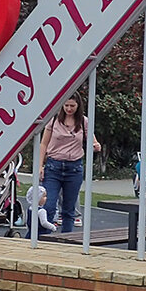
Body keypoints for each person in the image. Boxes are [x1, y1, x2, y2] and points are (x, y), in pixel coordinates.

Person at [39, 93, 101, 235]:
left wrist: (96, 145)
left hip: (74, 168)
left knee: (69, 209)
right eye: (66, 105)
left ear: (78, 106)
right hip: (53, 166)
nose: (69, 108)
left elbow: (93, 141)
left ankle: (66, 239)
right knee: (48, 205)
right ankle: (43, 237)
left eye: (72, 106)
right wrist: (40, 166)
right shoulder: (54, 120)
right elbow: (43, 144)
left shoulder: (83, 122)